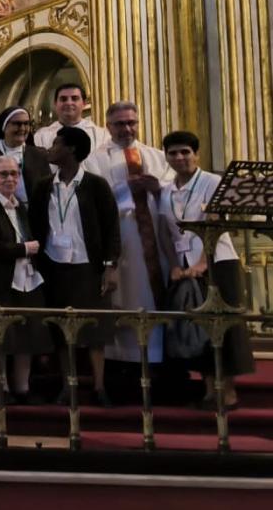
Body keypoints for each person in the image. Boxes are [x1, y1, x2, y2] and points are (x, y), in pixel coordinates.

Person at [157, 130, 255, 407]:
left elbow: (216, 223)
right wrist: (174, 265)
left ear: (196, 155)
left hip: (218, 263)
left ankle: (229, 392)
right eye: (173, 153)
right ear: (166, 157)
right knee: (198, 328)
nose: (180, 157)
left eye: (185, 152)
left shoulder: (213, 182)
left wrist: (203, 263)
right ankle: (210, 390)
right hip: (184, 266)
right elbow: (164, 231)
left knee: (224, 327)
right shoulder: (166, 190)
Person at [28, 126, 121, 405]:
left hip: (88, 265)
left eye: (56, 144)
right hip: (54, 265)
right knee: (61, 328)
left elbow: (111, 227)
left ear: (70, 149)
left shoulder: (95, 184)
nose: (50, 149)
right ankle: (68, 385)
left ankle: (99, 386)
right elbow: (35, 224)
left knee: (95, 329)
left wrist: (110, 266)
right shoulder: (43, 186)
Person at [92, 101, 174, 367]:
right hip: (121, 236)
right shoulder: (95, 159)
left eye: (131, 123)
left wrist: (158, 189)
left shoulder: (157, 156)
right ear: (108, 126)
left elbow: (174, 193)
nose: (127, 129)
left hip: (155, 237)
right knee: (124, 297)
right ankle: (122, 359)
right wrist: (123, 188)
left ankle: (157, 358)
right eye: (120, 124)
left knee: (152, 297)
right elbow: (94, 200)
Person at [0, 154, 50, 403]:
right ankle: (1, 387)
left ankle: (22, 387)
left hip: (27, 278)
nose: (10, 178)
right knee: (0, 336)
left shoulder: (21, 206)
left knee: (27, 335)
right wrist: (22, 249)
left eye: (14, 173)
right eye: (4, 174)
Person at [33, 82, 104, 158]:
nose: (69, 103)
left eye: (74, 98)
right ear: (55, 104)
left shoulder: (100, 135)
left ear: (84, 103)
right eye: (63, 99)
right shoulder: (41, 136)